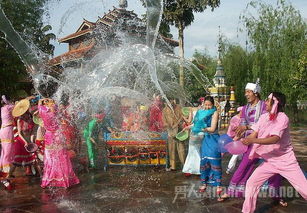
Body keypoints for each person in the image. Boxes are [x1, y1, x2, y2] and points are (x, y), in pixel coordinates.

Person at [219, 80, 285, 205]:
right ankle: (232, 191)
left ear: (256, 93)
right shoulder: (245, 108)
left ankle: (277, 196)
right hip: (251, 142)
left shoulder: (265, 106)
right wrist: (238, 135)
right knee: (244, 166)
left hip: (265, 142)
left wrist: (247, 127)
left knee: (275, 170)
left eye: (248, 92)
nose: (246, 94)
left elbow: (266, 124)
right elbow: (243, 125)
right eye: (246, 92)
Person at [241, 92, 307, 213]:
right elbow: (255, 132)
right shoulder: (264, 117)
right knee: (251, 183)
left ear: (275, 103)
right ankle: (247, 211)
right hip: (270, 161)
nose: (265, 102)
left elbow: (275, 138)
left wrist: (253, 140)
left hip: (286, 162)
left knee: (305, 190)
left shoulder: (283, 118)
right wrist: (244, 139)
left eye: (268, 100)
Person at [38, 98, 79, 188]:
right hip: (57, 135)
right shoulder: (55, 110)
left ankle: (49, 180)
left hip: (48, 136)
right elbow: (59, 115)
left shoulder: (41, 110)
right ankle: (64, 180)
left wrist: (43, 101)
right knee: (61, 158)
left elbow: (39, 104)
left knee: (50, 159)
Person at [198, 96, 222, 201]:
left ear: (213, 105)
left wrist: (201, 128)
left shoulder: (215, 113)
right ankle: (204, 183)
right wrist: (188, 127)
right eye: (206, 105)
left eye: (209, 105)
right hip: (206, 140)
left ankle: (218, 185)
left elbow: (212, 129)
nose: (207, 107)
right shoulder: (203, 112)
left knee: (215, 163)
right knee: (204, 162)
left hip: (214, 140)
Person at [182, 97, 205, 176]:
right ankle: (199, 168)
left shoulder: (191, 110)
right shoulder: (203, 110)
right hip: (201, 133)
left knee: (192, 151)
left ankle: (190, 169)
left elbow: (189, 122)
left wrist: (183, 117)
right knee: (199, 150)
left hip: (194, 132)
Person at [162, 98, 185, 171]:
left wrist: (177, 124)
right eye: (168, 101)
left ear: (173, 100)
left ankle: (184, 165)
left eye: (171, 100)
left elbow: (182, 117)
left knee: (181, 149)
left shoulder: (179, 107)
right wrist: (169, 126)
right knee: (172, 149)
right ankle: (173, 166)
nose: (170, 102)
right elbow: (164, 121)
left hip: (180, 132)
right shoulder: (164, 110)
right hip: (171, 132)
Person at [0, 95, 15, 175]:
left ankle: (3, 170)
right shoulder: (8, 107)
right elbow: (19, 106)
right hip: (8, 130)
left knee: (4, 150)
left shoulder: (2, 108)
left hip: (3, 130)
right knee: (8, 151)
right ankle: (6, 172)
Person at [225, 106, 243, 174]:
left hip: (239, 137)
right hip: (233, 137)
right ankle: (230, 168)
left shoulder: (243, 119)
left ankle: (239, 167)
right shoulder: (235, 118)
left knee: (240, 154)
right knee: (236, 153)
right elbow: (233, 128)